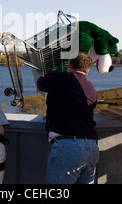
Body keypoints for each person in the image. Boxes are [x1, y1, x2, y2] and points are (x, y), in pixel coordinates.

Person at [37, 52, 99, 184]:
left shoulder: (60, 77)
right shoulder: (91, 89)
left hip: (68, 147)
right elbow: (78, 107)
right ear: (87, 71)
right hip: (91, 147)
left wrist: (52, 74)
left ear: (69, 64)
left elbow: (41, 84)